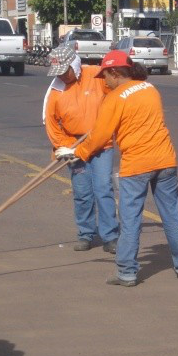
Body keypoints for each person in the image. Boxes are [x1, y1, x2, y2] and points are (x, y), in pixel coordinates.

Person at [54, 50, 178, 287]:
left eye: (105, 76)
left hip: (137, 165)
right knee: (172, 216)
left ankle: (127, 272)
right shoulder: (150, 89)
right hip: (165, 160)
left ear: (115, 72)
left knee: (130, 221)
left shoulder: (115, 99)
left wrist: (75, 152)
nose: (103, 81)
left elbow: (99, 137)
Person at [43, 45, 119, 253]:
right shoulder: (56, 90)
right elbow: (51, 122)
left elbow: (116, 94)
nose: (62, 77)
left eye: (64, 71)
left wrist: (107, 121)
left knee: (103, 188)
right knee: (82, 191)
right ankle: (86, 234)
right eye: (58, 73)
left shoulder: (95, 75)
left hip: (100, 143)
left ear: (74, 65)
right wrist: (63, 146)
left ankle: (110, 236)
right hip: (74, 146)